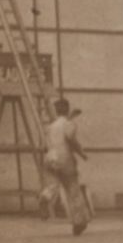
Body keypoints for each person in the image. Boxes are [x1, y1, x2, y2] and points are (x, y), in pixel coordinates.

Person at [37, 97, 92, 235]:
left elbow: (44, 146)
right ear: (67, 110)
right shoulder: (68, 124)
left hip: (50, 157)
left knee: (52, 186)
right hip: (65, 158)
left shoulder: (50, 127)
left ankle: (45, 197)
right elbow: (71, 140)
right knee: (73, 190)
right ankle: (79, 222)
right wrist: (81, 153)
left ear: (55, 111)